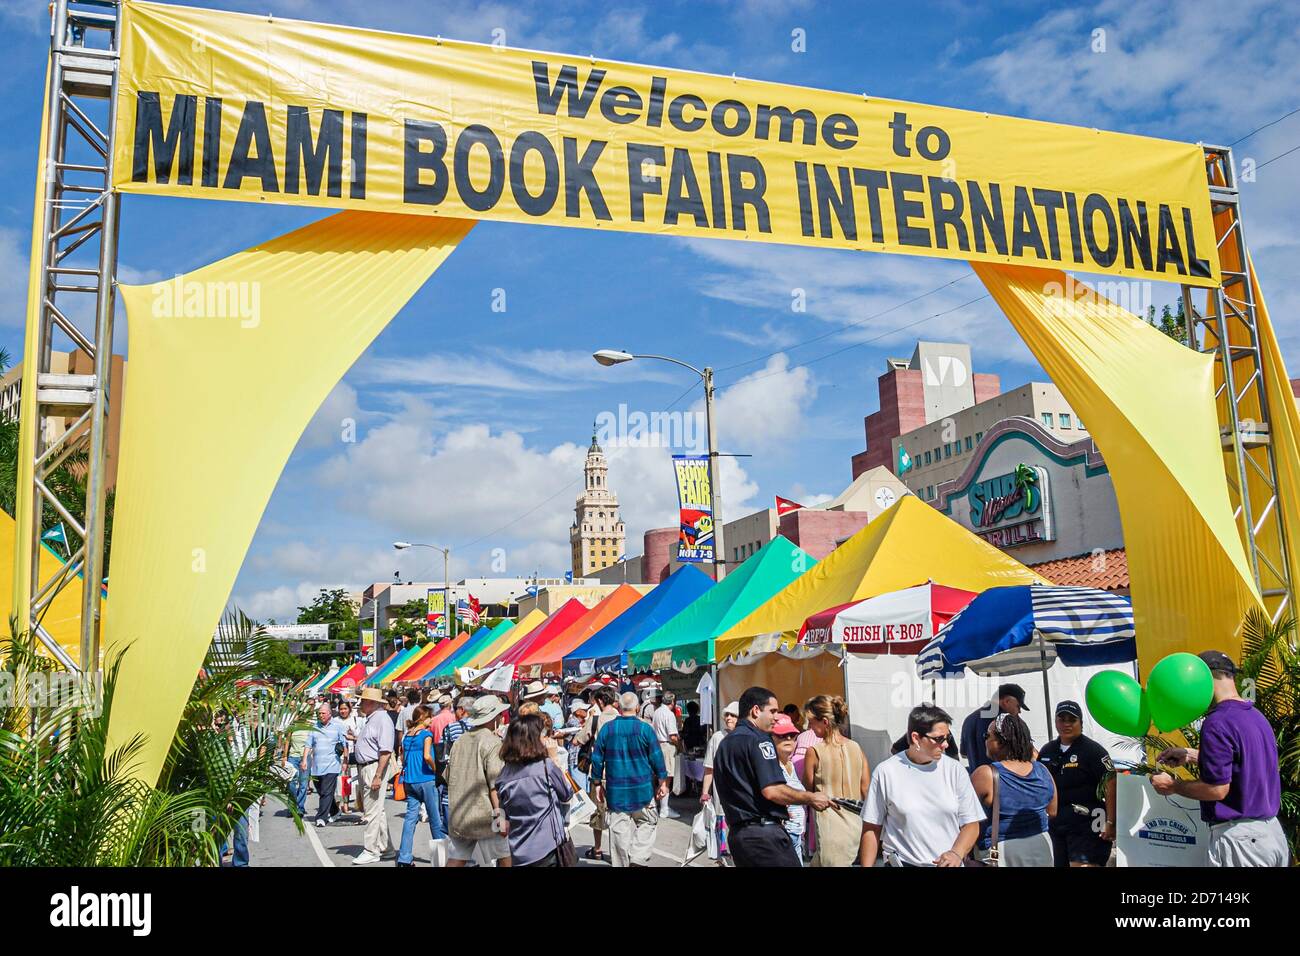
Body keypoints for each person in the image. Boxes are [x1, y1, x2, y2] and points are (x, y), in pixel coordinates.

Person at [1151, 650, 1287, 867]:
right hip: (1271, 834)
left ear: (1201, 677)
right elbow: (1246, 762)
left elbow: (1217, 789)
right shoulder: (1255, 715)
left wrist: (1173, 786)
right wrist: (1193, 755)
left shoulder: (1217, 722)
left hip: (1241, 838)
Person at [712, 686, 831, 867]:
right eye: (773, 711)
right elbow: (772, 790)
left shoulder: (725, 744)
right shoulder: (759, 740)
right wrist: (810, 798)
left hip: (739, 836)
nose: (776, 716)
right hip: (764, 836)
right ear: (755, 710)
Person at [859, 705, 984, 867]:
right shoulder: (886, 772)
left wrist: (956, 853)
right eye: (939, 739)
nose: (945, 744)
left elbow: (971, 824)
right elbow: (871, 828)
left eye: (948, 738)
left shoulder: (955, 770)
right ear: (916, 738)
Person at [589, 691, 669, 867]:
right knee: (648, 822)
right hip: (642, 790)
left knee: (619, 833)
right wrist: (663, 782)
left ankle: (623, 863)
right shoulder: (645, 729)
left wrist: (596, 784)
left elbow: (596, 758)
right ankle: (638, 857)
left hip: (616, 791)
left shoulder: (607, 729)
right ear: (638, 708)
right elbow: (657, 757)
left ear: (618, 706)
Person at [1037, 700, 1115, 867]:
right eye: (1061, 719)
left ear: (1080, 722)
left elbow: (1111, 784)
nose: (1066, 724)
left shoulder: (1093, 751)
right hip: (1057, 827)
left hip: (1087, 824)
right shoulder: (1047, 750)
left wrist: (1111, 822)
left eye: (1072, 720)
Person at [971, 712, 1057, 866]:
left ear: (1001, 741)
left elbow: (963, 816)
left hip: (1004, 849)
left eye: (987, 735)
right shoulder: (1043, 770)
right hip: (1042, 844)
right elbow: (1052, 812)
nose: (985, 740)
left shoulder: (986, 773)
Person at [494, 713, 576, 866]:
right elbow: (566, 794)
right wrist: (554, 758)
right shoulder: (546, 767)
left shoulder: (504, 774)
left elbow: (502, 813)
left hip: (517, 849)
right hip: (547, 847)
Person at [801, 694, 869, 867]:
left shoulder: (814, 751)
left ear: (824, 721)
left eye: (811, 722)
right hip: (855, 824)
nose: (809, 727)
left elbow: (807, 789)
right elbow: (866, 789)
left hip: (829, 826)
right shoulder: (856, 747)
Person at [445, 696, 513, 867]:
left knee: (458, 856)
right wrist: (500, 815)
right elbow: (495, 785)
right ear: (493, 717)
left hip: (460, 811)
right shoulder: (492, 742)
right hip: (485, 814)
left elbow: (447, 776)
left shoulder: (460, 740)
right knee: (504, 856)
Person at [396, 705, 447, 866]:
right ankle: (441, 859)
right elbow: (427, 756)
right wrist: (435, 768)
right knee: (435, 820)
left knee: (410, 820)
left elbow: (403, 759)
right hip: (425, 779)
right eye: (430, 717)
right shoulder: (426, 734)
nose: (431, 720)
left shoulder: (407, 735)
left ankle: (404, 857)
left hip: (410, 781)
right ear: (423, 718)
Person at [351, 687, 396, 865]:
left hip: (373, 768)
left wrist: (378, 775)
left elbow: (385, 750)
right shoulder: (374, 719)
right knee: (377, 811)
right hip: (367, 767)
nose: (361, 703)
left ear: (372, 703)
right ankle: (386, 848)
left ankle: (371, 849)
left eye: (363, 700)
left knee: (371, 812)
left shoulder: (382, 719)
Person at [573, 688, 619, 862]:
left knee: (598, 812)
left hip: (599, 774)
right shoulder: (622, 718)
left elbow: (579, 740)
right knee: (618, 813)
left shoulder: (595, 719)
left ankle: (598, 849)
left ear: (600, 701)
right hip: (618, 772)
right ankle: (616, 851)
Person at [960, 684, 1028, 773]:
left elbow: (963, 753)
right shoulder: (1006, 721)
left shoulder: (969, 719)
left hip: (976, 781)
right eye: (1018, 706)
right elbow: (1023, 752)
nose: (1019, 711)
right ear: (1007, 701)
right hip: (1003, 781)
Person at [303, 701, 348, 828]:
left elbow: (344, 744)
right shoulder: (314, 726)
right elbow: (308, 744)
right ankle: (334, 811)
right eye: (319, 713)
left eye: (323, 713)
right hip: (317, 767)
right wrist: (304, 760)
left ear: (329, 714)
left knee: (327, 791)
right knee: (322, 791)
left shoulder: (337, 726)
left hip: (332, 765)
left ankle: (321, 818)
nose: (320, 715)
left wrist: (345, 760)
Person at [772, 714, 806, 864]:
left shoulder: (791, 764)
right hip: (782, 835)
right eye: (782, 735)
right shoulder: (772, 766)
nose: (788, 739)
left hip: (796, 834)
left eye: (791, 735)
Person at [700, 701, 738, 812]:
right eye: (727, 715)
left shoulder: (747, 737)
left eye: (733, 715)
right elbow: (709, 768)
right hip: (722, 794)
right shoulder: (717, 738)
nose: (729, 718)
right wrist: (705, 793)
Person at [651, 691, 682, 817]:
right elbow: (673, 736)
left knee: (659, 777)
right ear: (672, 702)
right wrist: (680, 746)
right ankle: (664, 809)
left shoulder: (657, 712)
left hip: (657, 745)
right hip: (667, 746)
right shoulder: (669, 714)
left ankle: (658, 805)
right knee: (666, 778)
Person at [336, 699, 363, 813]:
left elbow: (362, 737)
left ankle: (354, 803)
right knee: (343, 779)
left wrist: (353, 736)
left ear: (349, 709)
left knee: (357, 779)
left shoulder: (356, 720)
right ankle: (341, 804)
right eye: (341, 709)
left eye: (345, 709)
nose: (343, 711)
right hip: (341, 753)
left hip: (355, 752)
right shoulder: (335, 721)